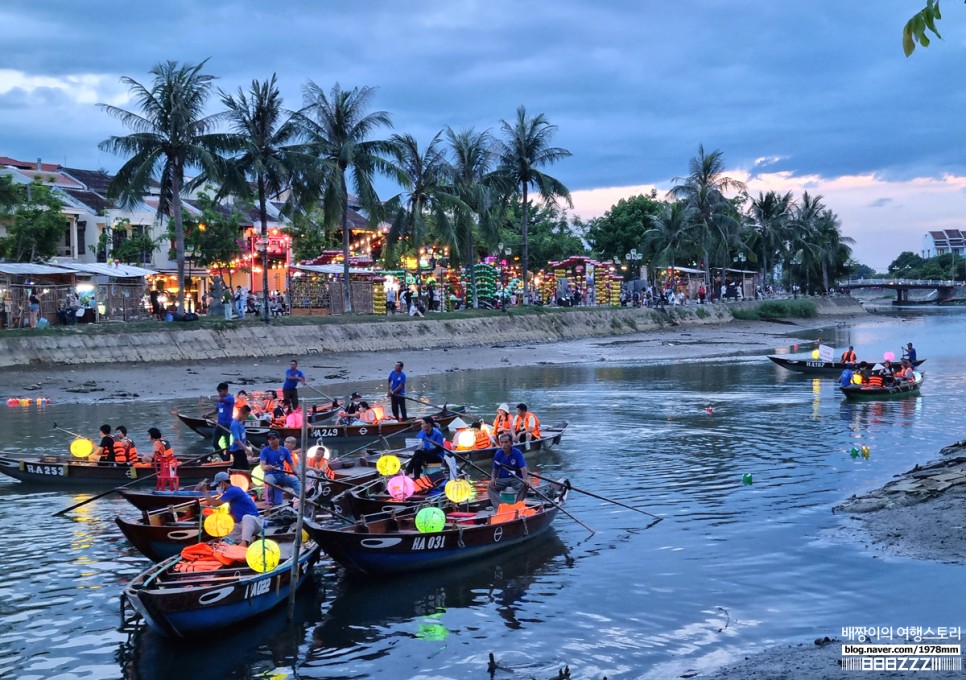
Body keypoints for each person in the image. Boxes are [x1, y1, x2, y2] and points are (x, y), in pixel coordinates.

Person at [198, 471, 264, 547]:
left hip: (254, 522)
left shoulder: (234, 490)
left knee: (246, 517)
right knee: (226, 537)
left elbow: (215, 503)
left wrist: (204, 491)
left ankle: (244, 543)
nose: (217, 487)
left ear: (222, 483)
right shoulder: (231, 493)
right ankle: (251, 538)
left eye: (218, 484)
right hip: (242, 524)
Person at [487, 433, 529, 508]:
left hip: (516, 479)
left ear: (511, 443)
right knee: (490, 486)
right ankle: (500, 507)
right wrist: (493, 479)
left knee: (524, 485)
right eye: (502, 442)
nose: (504, 445)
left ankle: (517, 506)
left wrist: (525, 479)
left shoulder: (517, 453)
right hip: (503, 479)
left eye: (506, 442)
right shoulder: (498, 454)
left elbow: (523, 468)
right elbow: (495, 469)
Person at [260, 432, 301, 507]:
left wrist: (297, 473)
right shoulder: (265, 451)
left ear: (278, 439)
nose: (271, 441)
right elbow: (262, 466)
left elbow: (291, 464)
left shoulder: (284, 450)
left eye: (273, 439)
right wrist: (266, 467)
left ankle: (302, 498)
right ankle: (270, 502)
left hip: (281, 475)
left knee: (295, 480)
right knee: (270, 481)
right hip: (270, 474)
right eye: (269, 439)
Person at [204, 383, 235, 452]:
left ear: (226, 390)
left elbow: (221, 400)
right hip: (219, 424)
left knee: (227, 444)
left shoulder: (230, 398)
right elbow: (216, 410)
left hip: (227, 424)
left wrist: (213, 398)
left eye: (221, 391)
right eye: (218, 392)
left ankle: (227, 459)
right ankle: (223, 457)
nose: (219, 393)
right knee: (214, 443)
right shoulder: (220, 401)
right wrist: (207, 414)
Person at [227, 405, 255, 470]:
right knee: (245, 467)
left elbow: (241, 434)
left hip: (241, 448)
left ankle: (230, 471)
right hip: (237, 450)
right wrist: (247, 450)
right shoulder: (234, 424)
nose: (247, 417)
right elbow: (237, 440)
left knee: (237, 466)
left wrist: (246, 441)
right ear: (242, 413)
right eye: (247, 415)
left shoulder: (241, 422)